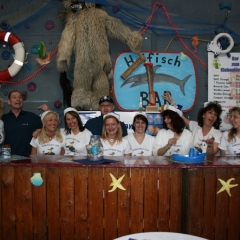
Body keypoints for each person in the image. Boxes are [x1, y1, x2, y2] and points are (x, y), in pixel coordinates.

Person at [2, 90, 42, 155]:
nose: (18, 99)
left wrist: (38, 130)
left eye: (20, 97)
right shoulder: (3, 119)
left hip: (27, 160)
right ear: (9, 102)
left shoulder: (31, 117)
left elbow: (47, 126)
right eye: (14, 97)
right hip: (7, 159)